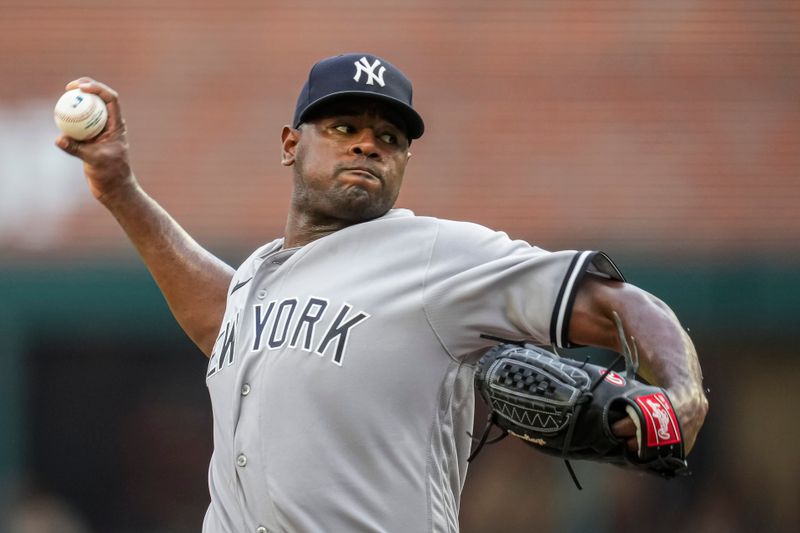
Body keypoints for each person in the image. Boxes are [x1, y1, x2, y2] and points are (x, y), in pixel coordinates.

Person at [56, 53, 708, 533]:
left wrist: (682, 389)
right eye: (344, 127)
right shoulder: (258, 275)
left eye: (390, 137)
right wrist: (119, 190)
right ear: (291, 144)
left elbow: (618, 303)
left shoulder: (434, 255)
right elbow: (221, 320)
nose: (369, 143)